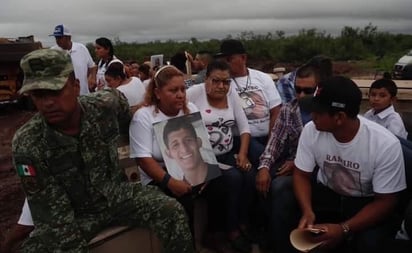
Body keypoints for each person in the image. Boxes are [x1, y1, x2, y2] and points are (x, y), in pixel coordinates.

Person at [12, 49, 193, 253]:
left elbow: (127, 115)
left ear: (75, 86)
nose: (47, 103)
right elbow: (53, 219)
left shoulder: (104, 106)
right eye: (38, 95)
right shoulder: (28, 143)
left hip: (119, 195)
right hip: (76, 214)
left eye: (55, 92)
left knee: (172, 211)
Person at [129, 65, 252, 253]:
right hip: (159, 176)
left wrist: (206, 173)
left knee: (225, 181)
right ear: (157, 92)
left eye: (182, 90)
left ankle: (214, 234)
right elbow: (143, 160)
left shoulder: (190, 109)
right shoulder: (144, 117)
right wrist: (170, 182)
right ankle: (188, 247)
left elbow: (201, 145)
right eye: (173, 90)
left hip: (190, 168)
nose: (180, 95)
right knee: (183, 197)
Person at [277, 76, 406, 253]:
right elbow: (301, 174)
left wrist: (343, 229)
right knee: (282, 191)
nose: (311, 116)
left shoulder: (384, 144)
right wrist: (307, 211)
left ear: (339, 117)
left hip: (364, 202)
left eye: (318, 112)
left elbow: (386, 201)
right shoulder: (311, 130)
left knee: (371, 243)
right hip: (328, 193)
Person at [215, 39, 282, 168]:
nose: (226, 64)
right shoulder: (222, 83)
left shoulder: (263, 78)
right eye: (223, 60)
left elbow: (276, 111)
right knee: (263, 158)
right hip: (242, 139)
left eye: (229, 59)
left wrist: (271, 142)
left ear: (243, 58)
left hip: (269, 135)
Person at [162, 117, 221, 187]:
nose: (184, 149)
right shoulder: (177, 189)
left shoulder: (225, 176)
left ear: (199, 142)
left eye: (188, 140)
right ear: (169, 154)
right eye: (175, 145)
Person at [49, 24, 96, 95]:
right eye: (56, 38)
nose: (57, 40)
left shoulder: (81, 48)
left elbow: (92, 67)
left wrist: (92, 78)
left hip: (83, 94)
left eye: (60, 38)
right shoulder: (52, 52)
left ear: (69, 38)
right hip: (63, 97)